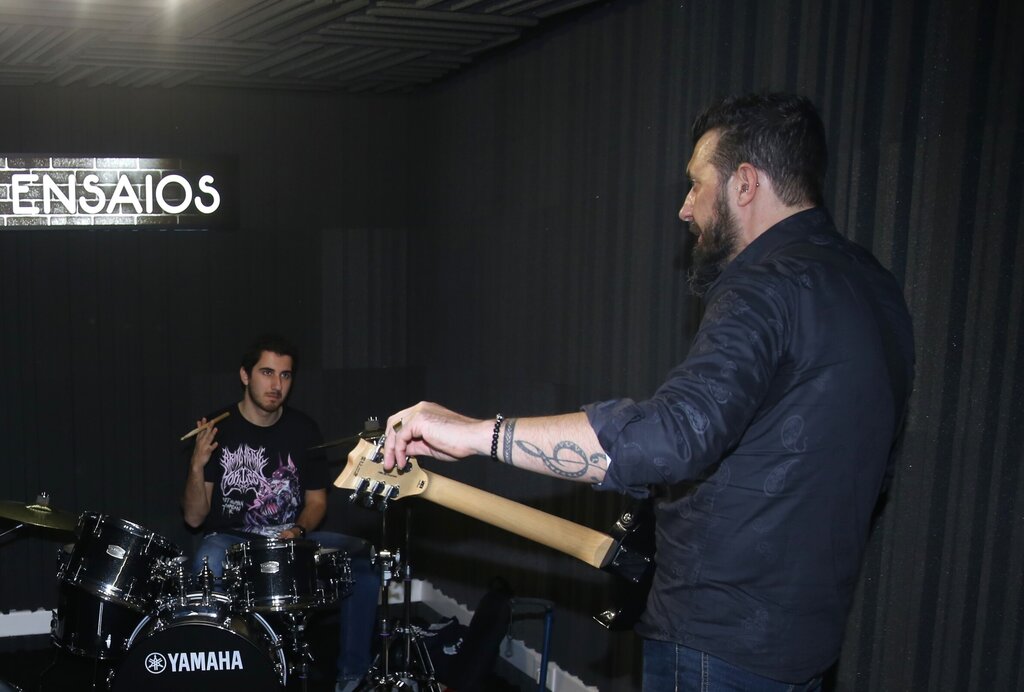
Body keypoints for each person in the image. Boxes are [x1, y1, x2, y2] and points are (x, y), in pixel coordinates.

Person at [379, 94, 915, 691]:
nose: (686, 208)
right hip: (807, 639)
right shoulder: (876, 288)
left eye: (696, 184)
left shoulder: (764, 285)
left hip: (715, 643)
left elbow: (672, 438)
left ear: (744, 184)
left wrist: (478, 434)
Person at [181, 334, 377, 692]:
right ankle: (217, 672)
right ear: (245, 375)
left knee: (363, 565)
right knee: (207, 562)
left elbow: (317, 502)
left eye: (285, 375)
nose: (276, 385)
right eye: (267, 373)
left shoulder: (304, 429)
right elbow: (194, 518)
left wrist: (298, 531)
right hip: (231, 539)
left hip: (290, 534)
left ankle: (351, 675)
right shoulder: (217, 428)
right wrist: (196, 464)